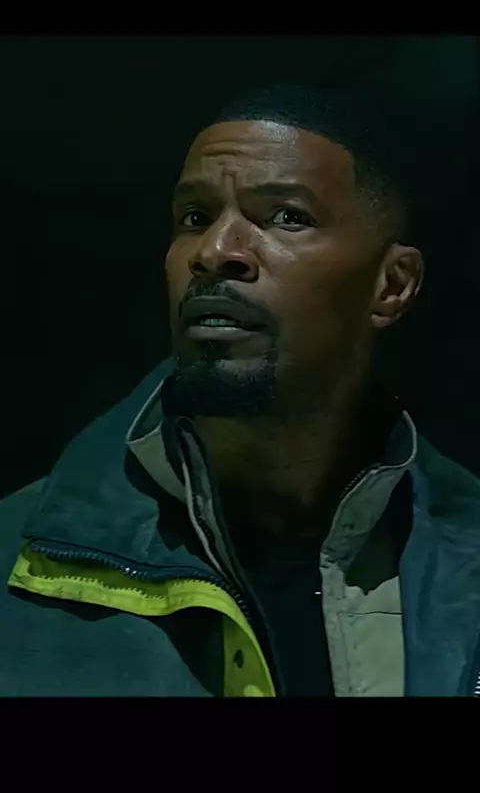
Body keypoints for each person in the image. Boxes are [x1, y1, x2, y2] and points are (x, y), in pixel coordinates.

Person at [1, 83, 479, 697]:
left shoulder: (464, 562)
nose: (215, 251)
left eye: (287, 217)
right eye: (194, 218)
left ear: (392, 285)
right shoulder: (19, 562)